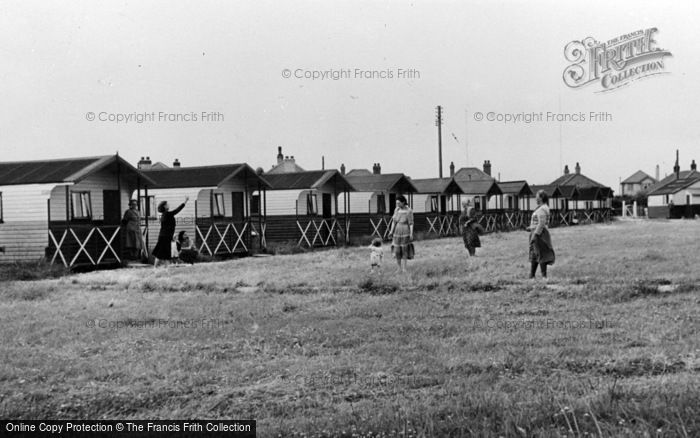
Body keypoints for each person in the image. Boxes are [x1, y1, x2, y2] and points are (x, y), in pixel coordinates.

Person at [152, 197, 189, 267]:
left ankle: (166, 268)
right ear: (164, 206)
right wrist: (185, 201)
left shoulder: (165, 215)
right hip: (164, 237)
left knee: (166, 253)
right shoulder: (167, 214)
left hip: (166, 236)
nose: (169, 205)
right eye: (167, 204)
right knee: (161, 253)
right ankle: (155, 268)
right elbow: (177, 210)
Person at [527, 190, 555, 279]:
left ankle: (544, 276)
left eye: (537, 196)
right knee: (534, 253)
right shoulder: (542, 208)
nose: (536, 198)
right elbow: (538, 222)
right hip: (536, 231)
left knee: (541, 253)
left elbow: (541, 223)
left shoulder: (542, 208)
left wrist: (535, 234)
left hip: (539, 234)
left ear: (542, 197)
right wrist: (530, 227)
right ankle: (532, 275)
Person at [387, 194, 414, 273]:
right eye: (397, 203)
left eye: (399, 203)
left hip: (405, 229)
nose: (397, 205)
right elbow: (394, 221)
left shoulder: (409, 211)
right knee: (397, 250)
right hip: (397, 230)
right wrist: (391, 231)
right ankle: (398, 268)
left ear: (403, 202)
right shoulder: (397, 210)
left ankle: (404, 268)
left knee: (404, 249)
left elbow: (411, 223)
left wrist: (411, 234)